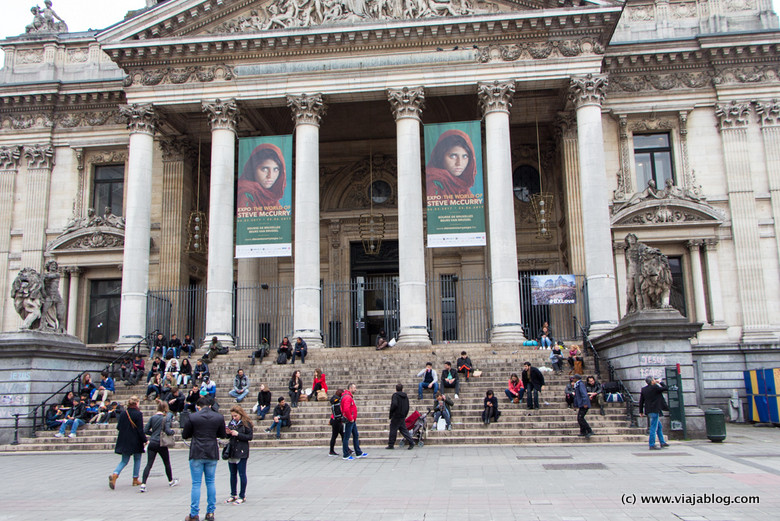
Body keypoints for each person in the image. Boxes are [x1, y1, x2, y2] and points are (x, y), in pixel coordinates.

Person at [181, 396, 228, 521]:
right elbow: (222, 434)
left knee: (196, 483)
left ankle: (194, 513)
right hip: (212, 451)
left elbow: (185, 434)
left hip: (197, 451)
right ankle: (211, 512)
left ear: (198, 406)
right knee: (210, 482)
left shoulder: (193, 417)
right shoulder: (218, 417)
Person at [140, 400, 179, 492]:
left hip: (152, 442)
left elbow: (145, 430)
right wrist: (173, 432)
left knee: (149, 464)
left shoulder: (153, 417)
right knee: (166, 462)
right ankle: (170, 480)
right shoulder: (165, 418)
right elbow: (168, 431)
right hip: (161, 443)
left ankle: (143, 484)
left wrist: (152, 433)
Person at [109, 396, 147, 490]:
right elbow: (140, 430)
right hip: (135, 440)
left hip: (124, 440)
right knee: (137, 459)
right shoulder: (138, 414)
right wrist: (145, 440)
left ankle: (115, 474)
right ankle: (135, 479)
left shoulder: (123, 413)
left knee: (124, 460)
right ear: (136, 403)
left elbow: (118, 427)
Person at [426, 129, 477, 197]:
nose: (459, 163)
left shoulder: (463, 187)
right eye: (453, 156)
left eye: (465, 156)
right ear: (441, 156)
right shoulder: (433, 185)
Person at [237, 143, 287, 209]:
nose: (270, 176)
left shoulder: (270, 198)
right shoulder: (246, 195)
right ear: (253, 169)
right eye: (265, 169)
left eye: (276, 169)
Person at [224, 405, 254, 505]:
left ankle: (242, 495)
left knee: (242, 473)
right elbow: (228, 436)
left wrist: (238, 434)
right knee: (232, 474)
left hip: (242, 450)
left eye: (236, 416)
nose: (234, 418)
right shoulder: (231, 423)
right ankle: (233, 494)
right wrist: (228, 433)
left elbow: (249, 437)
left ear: (240, 415)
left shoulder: (246, 424)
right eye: (232, 416)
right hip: (232, 450)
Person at [639, 375, 669, 450]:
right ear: (652, 381)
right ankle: (651, 444)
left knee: (659, 426)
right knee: (653, 427)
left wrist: (641, 411)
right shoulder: (655, 387)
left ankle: (662, 442)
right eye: (653, 380)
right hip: (655, 410)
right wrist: (660, 382)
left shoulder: (644, 389)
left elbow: (641, 401)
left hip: (649, 410)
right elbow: (666, 388)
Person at [341, 383, 367, 460]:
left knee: (355, 435)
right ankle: (346, 454)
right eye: (354, 388)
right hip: (349, 420)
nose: (355, 389)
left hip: (352, 420)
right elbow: (346, 409)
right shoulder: (347, 397)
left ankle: (358, 452)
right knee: (347, 437)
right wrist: (350, 418)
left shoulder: (348, 396)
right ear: (350, 388)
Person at [386, 383, 414, 450]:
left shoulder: (395, 395)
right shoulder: (405, 396)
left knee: (393, 430)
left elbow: (394, 404)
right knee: (404, 430)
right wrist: (405, 414)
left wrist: (391, 412)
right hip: (402, 415)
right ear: (402, 389)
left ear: (396, 389)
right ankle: (411, 441)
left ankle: (391, 444)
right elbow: (407, 406)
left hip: (396, 415)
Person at [573, 374, 593, 438]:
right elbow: (576, 396)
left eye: (574, 378)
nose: (573, 379)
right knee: (580, 418)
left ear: (576, 378)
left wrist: (585, 403)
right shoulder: (577, 385)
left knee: (580, 418)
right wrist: (575, 405)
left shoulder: (580, 384)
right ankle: (583, 431)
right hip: (581, 404)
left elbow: (584, 394)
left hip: (584, 404)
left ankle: (589, 430)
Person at [328, 390, 345, 456]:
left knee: (342, 435)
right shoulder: (338, 402)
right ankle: (331, 450)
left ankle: (346, 448)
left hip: (335, 419)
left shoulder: (334, 401)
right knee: (335, 435)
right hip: (337, 421)